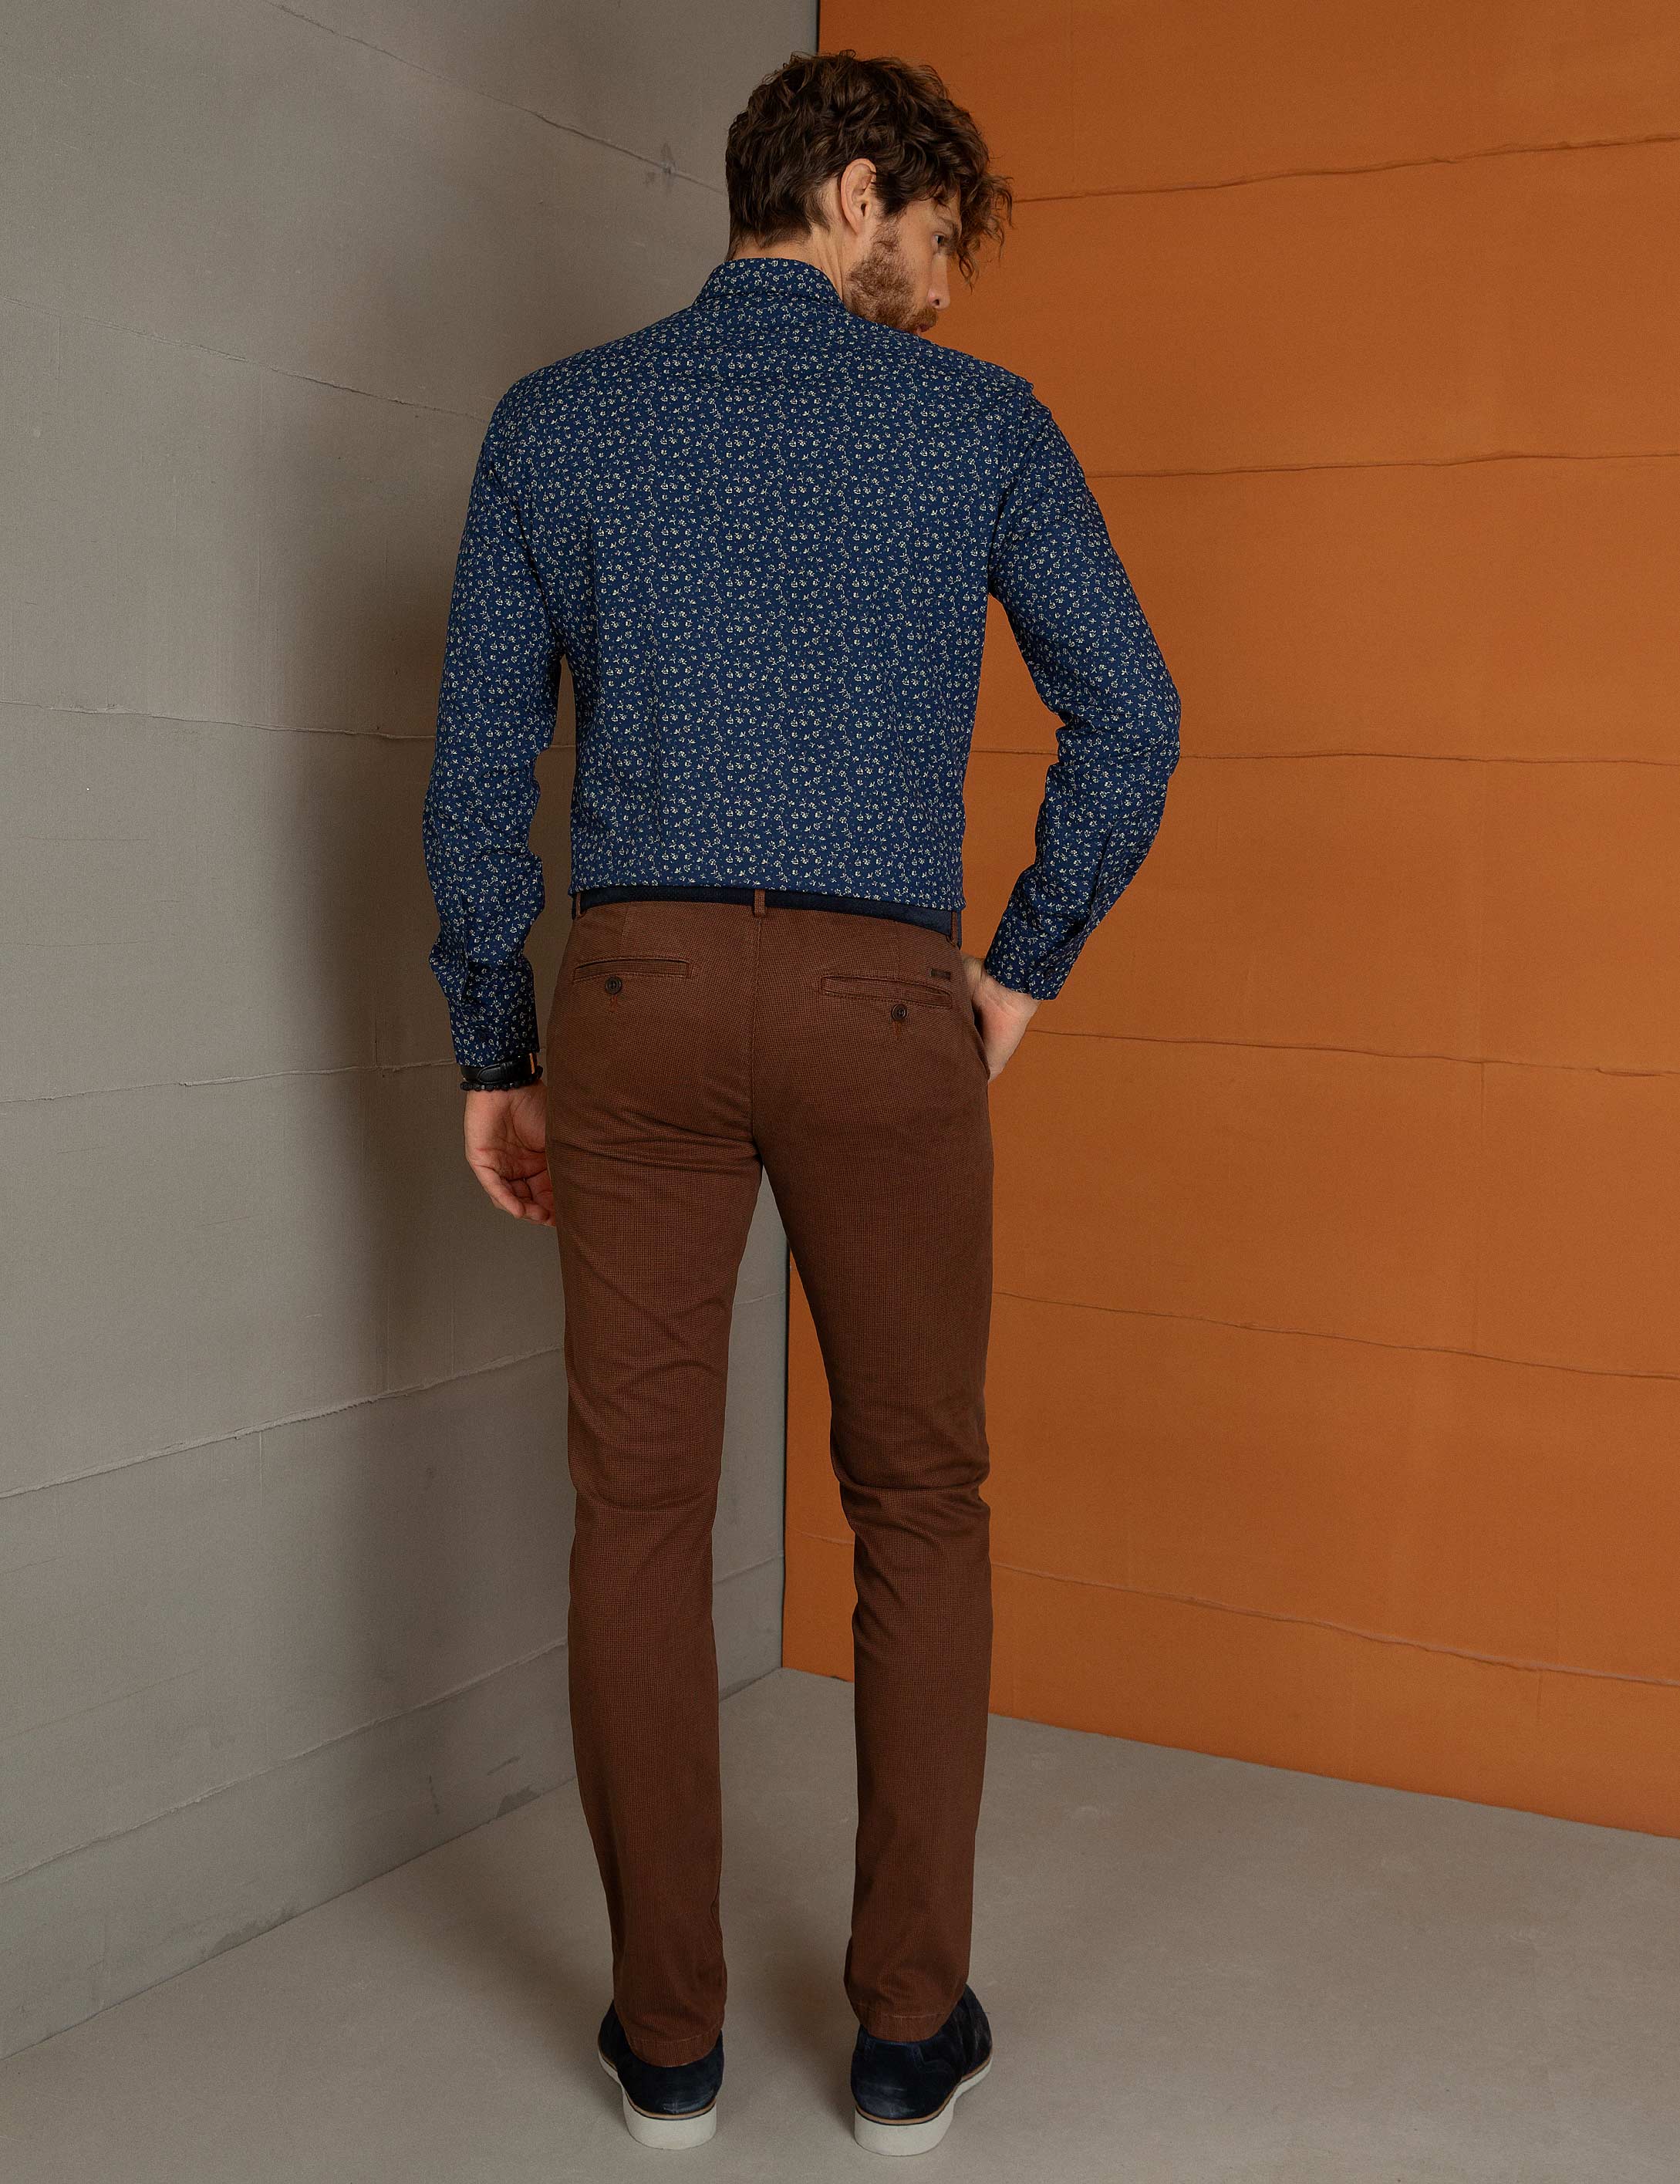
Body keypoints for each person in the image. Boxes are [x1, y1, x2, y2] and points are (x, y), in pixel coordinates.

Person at [420, 46, 1179, 2158]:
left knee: (638, 1514)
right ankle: (907, 2039)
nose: (937, 285)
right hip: (877, 1005)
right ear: (853, 192)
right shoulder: (979, 425)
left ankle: (666, 2047)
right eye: (928, 239)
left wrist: (495, 1043)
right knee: (918, 1499)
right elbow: (1133, 716)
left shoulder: (555, 421)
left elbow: (478, 773)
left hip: (636, 999)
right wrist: (1014, 974)